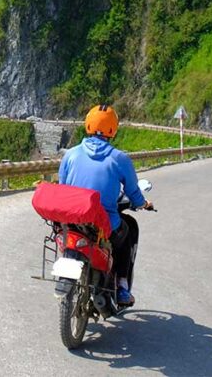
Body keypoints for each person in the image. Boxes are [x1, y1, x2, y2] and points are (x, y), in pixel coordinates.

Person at [57, 104, 153, 307]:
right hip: (103, 223)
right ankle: (122, 286)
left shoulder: (70, 154)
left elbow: (62, 186)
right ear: (113, 129)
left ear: (88, 124)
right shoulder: (120, 159)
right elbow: (134, 192)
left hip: (72, 218)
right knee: (126, 232)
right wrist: (142, 203)